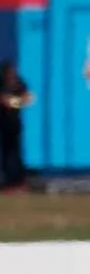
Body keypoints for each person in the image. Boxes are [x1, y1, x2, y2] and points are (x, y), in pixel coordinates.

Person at [0, 60, 29, 191]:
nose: (11, 74)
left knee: (16, 152)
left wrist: (13, 102)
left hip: (15, 123)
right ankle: (7, 182)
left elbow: (28, 99)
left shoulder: (19, 82)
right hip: (4, 123)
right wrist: (13, 101)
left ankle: (19, 181)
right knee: (6, 153)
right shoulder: (2, 83)